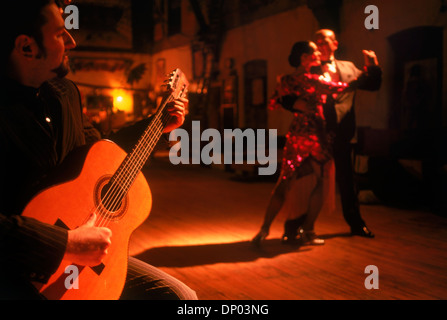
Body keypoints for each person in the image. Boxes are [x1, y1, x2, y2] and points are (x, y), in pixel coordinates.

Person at [0, 0, 197, 300]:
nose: (72, 41)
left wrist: (158, 124)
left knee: (179, 296)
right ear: (27, 47)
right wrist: (64, 243)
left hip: (80, 256)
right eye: (59, 34)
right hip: (16, 265)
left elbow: (101, 149)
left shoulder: (64, 93)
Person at [251, 41, 351, 247]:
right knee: (322, 182)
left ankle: (264, 229)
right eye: (314, 51)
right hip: (316, 135)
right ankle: (308, 230)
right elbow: (342, 87)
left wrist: (292, 103)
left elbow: (272, 102)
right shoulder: (316, 80)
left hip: (297, 133)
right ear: (304, 57)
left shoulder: (289, 79)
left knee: (284, 182)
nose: (318, 53)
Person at [312, 29, 382, 238]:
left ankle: (356, 224)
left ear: (335, 44)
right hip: (317, 132)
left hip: (344, 131)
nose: (320, 45)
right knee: (310, 180)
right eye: (317, 42)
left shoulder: (349, 67)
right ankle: (300, 226)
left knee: (347, 180)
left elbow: (372, 85)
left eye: (324, 41)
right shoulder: (310, 68)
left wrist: (373, 65)